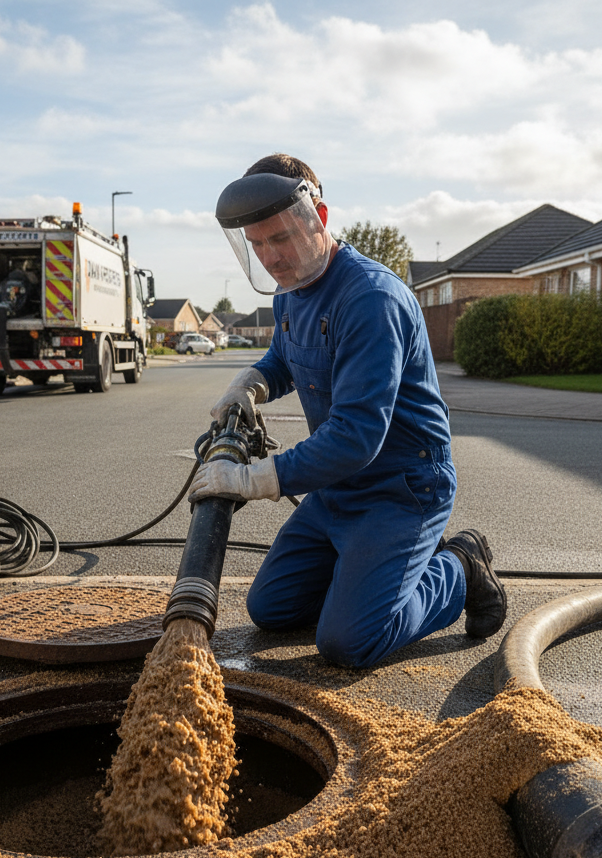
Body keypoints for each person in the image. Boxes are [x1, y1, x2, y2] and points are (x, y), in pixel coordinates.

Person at [189, 153, 506, 668]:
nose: (271, 256)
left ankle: (459, 566)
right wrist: (254, 383)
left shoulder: (371, 299)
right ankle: (365, 574)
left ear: (320, 217)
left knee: (348, 642)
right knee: (270, 608)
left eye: (281, 238)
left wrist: (252, 480)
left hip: (402, 490)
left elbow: (356, 436)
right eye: (257, 244)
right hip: (338, 487)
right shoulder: (291, 292)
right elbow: (286, 357)